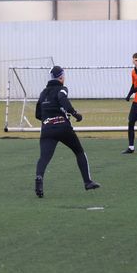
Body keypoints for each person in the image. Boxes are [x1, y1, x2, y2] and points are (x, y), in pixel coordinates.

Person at [34, 66, 100, 198]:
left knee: (44, 157)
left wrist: (48, 119)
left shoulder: (43, 93)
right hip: (63, 127)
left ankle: (39, 177)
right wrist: (75, 114)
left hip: (47, 129)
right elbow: (62, 98)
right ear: (61, 77)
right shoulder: (62, 89)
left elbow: (37, 114)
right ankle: (87, 182)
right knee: (79, 152)